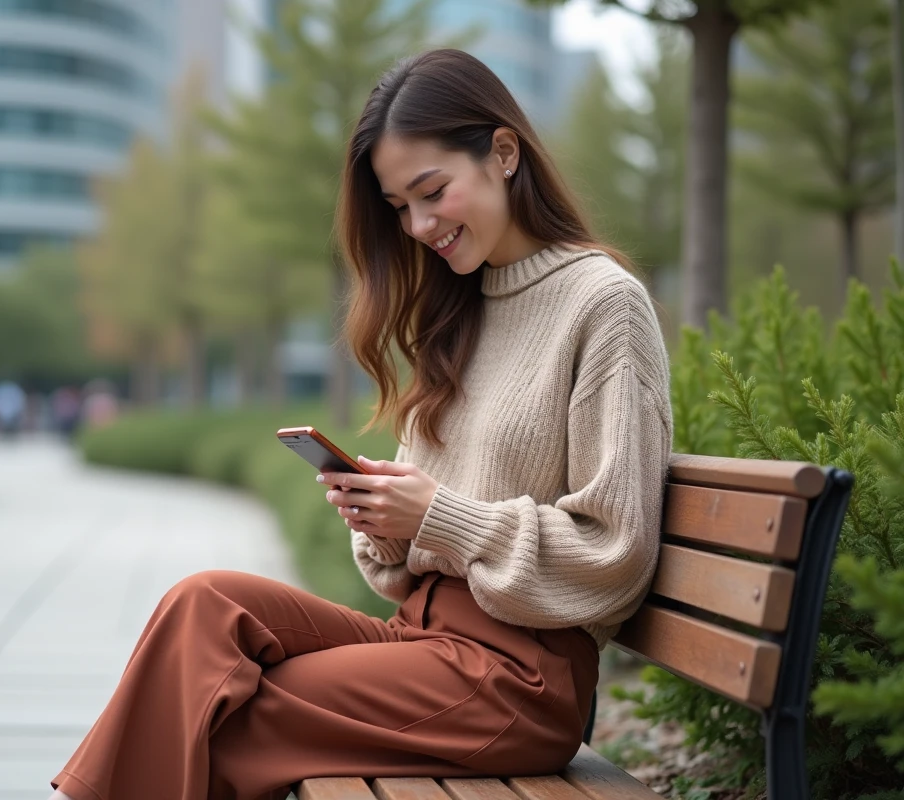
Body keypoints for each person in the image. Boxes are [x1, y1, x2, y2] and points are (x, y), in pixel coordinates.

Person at [47, 48, 672, 800]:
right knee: (202, 604)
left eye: (431, 192)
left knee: (224, 714)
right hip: (424, 641)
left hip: (518, 679)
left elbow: (617, 550)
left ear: (504, 153)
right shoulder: (459, 312)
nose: (419, 225)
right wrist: (385, 517)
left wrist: (439, 516)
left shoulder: (603, 305)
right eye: (400, 206)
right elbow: (407, 561)